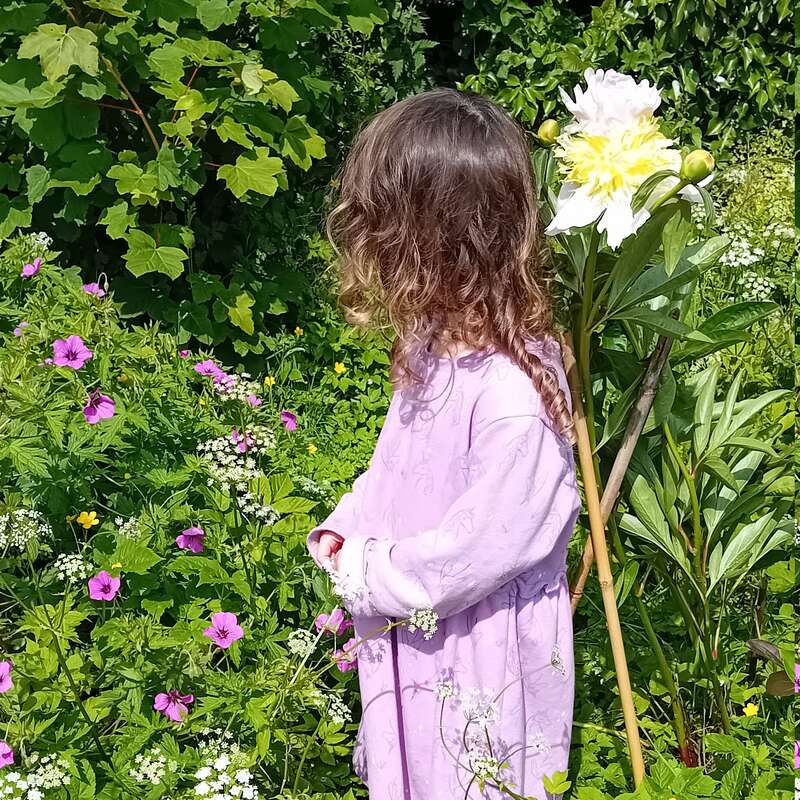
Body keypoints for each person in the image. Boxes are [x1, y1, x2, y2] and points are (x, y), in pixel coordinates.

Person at [306, 87, 581, 800]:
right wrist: (350, 525)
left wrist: (368, 572)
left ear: (432, 242)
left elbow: (475, 552)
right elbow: (392, 467)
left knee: (467, 777)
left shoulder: (513, 397)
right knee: (415, 770)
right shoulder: (431, 346)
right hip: (424, 622)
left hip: (477, 653)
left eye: (382, 229)